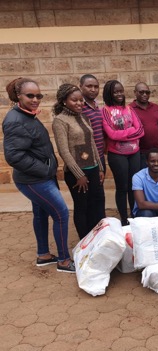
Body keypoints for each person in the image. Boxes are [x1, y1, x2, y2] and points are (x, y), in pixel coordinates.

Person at [2, 77, 74, 273]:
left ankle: (43, 255)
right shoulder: (15, 120)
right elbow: (14, 156)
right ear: (19, 96)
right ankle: (64, 261)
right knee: (61, 213)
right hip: (34, 180)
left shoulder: (26, 115)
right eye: (30, 95)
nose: (35, 99)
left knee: (41, 213)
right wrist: (45, 170)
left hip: (39, 177)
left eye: (39, 95)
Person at [52, 84, 105, 240]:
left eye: (81, 100)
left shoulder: (84, 117)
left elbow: (92, 143)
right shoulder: (60, 121)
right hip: (77, 174)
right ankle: (85, 240)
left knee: (96, 204)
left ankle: (97, 238)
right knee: (82, 206)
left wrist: (100, 168)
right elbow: (64, 151)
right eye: (74, 100)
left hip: (93, 168)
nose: (79, 103)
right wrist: (78, 174)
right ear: (64, 101)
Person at [102, 79, 144, 225]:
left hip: (134, 153)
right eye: (116, 91)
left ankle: (134, 215)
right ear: (109, 93)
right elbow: (111, 135)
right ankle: (124, 219)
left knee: (133, 186)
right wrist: (130, 132)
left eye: (121, 91)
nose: (119, 94)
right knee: (122, 187)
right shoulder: (105, 111)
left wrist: (123, 134)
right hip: (117, 155)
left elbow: (140, 130)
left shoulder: (129, 109)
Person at [132, 148, 158, 217]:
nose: (156, 164)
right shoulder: (138, 177)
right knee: (147, 214)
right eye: (152, 161)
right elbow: (141, 204)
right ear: (147, 162)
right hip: (144, 210)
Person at [129, 82, 158, 169]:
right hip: (140, 153)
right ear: (135, 92)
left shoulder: (155, 107)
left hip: (157, 151)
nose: (145, 95)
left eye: (147, 92)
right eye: (141, 92)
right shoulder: (129, 109)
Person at [79, 74, 106, 173]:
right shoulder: (79, 107)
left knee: (100, 187)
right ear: (81, 87)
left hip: (100, 155)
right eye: (89, 86)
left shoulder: (96, 105)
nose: (93, 89)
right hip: (87, 157)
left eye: (96, 87)